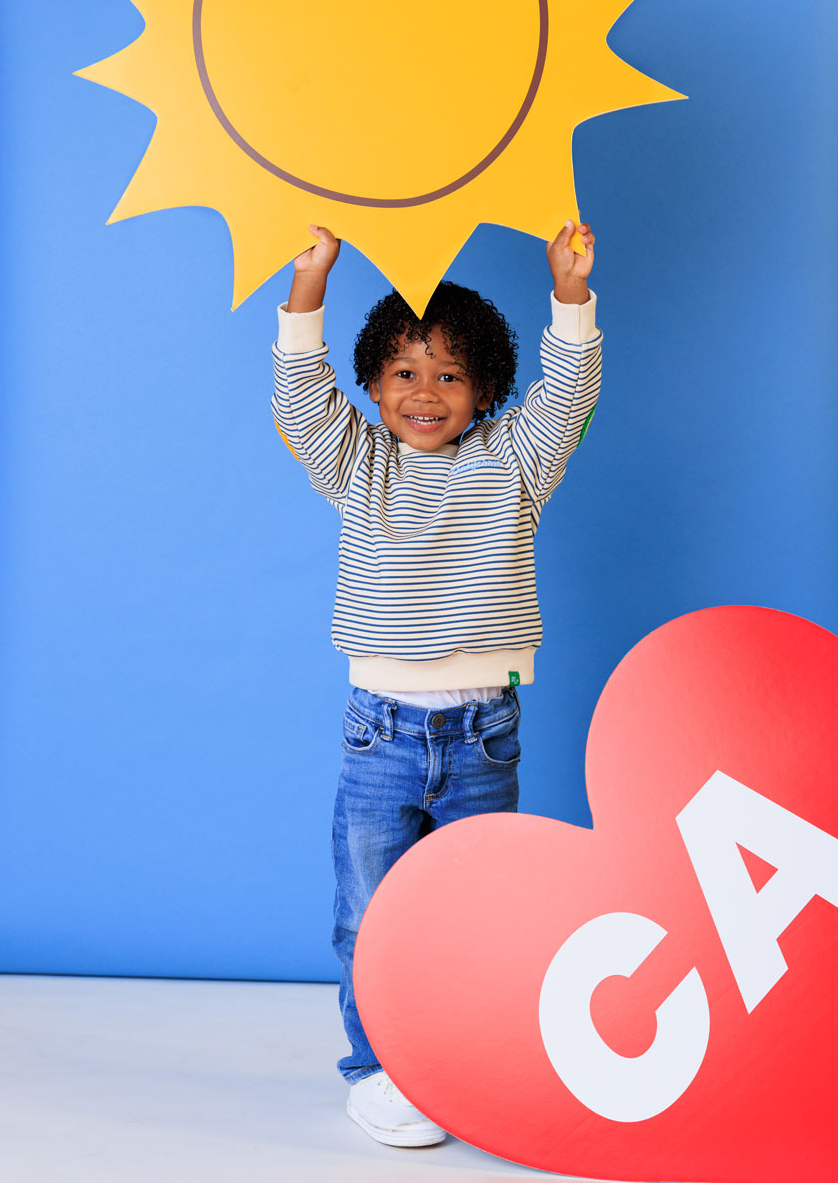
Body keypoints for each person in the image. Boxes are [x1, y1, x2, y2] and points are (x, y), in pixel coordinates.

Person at [271, 221, 600, 1146]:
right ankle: (378, 1070)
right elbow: (301, 402)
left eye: (449, 374)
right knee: (370, 915)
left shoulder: (515, 464)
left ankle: (467, 1057)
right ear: (372, 386)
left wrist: (570, 296)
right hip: (379, 730)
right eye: (404, 372)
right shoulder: (357, 466)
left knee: (476, 912)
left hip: (483, 733)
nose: (425, 392)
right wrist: (308, 287)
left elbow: (570, 393)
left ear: (485, 391)